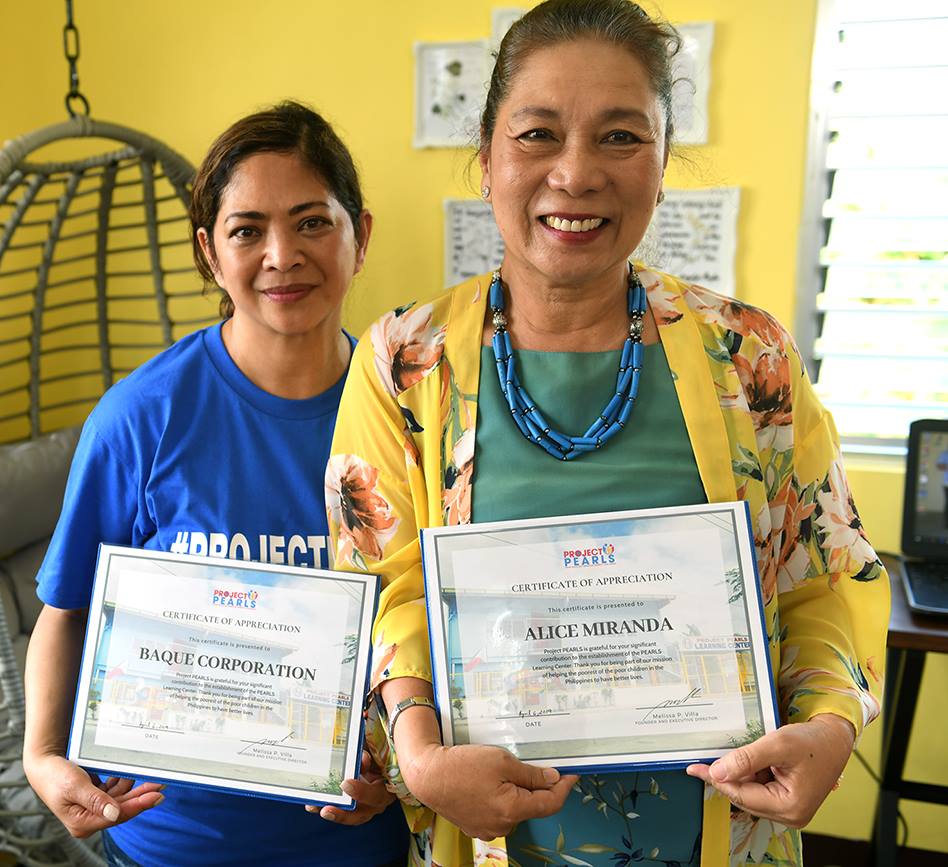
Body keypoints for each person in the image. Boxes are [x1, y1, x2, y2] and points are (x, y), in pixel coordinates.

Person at [325, 2, 890, 865]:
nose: (576, 173)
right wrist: (419, 750)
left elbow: (824, 575)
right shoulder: (405, 362)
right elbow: (382, 591)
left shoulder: (750, 355)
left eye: (621, 137)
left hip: (719, 834)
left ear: (662, 166)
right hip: (494, 839)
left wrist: (831, 724)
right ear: (487, 159)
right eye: (538, 135)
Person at [24, 102, 409, 867]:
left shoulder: (413, 417)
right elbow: (66, 611)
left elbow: (434, 625)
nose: (282, 255)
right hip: (173, 844)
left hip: (359, 846)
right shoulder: (141, 417)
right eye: (246, 230)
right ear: (209, 251)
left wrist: (402, 773)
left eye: (311, 222)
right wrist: (41, 754)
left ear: (360, 235)